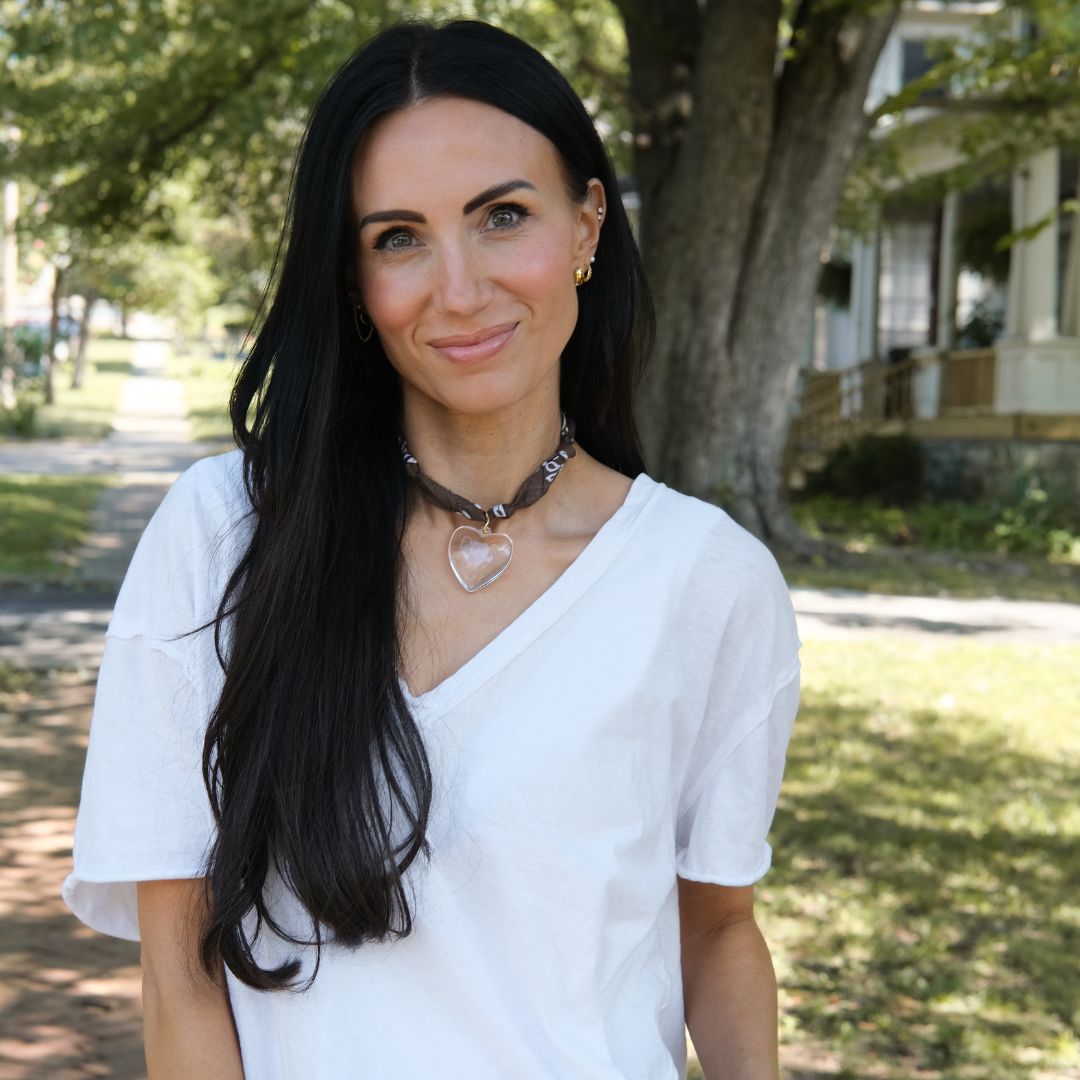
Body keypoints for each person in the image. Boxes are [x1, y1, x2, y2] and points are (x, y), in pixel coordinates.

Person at [63, 18, 802, 1080]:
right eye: (398, 237)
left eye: (503, 216)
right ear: (354, 281)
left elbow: (718, 932)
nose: (458, 289)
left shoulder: (711, 581)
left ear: (589, 225)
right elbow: (181, 973)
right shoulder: (227, 537)